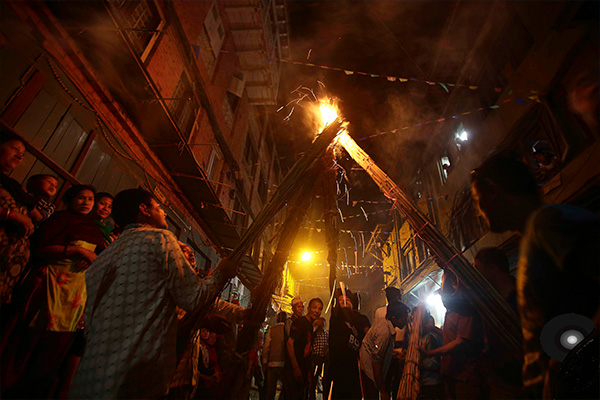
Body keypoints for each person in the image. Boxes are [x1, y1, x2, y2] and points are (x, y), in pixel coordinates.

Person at [70, 188, 238, 399]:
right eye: (159, 207)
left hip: (93, 371)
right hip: (135, 373)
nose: (165, 212)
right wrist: (221, 273)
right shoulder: (160, 239)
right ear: (144, 210)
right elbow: (193, 297)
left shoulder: (107, 253)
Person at [471, 150, 600, 399]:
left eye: (478, 201)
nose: (480, 211)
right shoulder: (536, 234)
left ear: (493, 192)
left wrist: (568, 360)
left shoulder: (546, 224)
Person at [4, 184, 106, 398]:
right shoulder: (59, 220)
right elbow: (40, 249)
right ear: (70, 200)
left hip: (74, 296)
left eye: (90, 199)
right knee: (28, 342)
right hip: (47, 288)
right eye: (80, 198)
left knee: (55, 349)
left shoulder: (95, 229)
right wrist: (76, 250)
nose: (86, 202)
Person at [421, 269, 485, 400]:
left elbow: (460, 342)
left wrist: (430, 353)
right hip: (449, 373)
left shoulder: (466, 310)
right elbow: (451, 335)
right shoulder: (449, 311)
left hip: (464, 376)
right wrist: (434, 329)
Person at [473, 247, 523, 399]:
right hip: (500, 382)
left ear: (493, 269)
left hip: (526, 383)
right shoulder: (489, 305)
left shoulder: (525, 298)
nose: (475, 275)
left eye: (478, 269)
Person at [0, 133, 34, 308]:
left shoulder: (13, 185)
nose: (20, 155)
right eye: (15, 149)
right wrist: (12, 215)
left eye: (23, 153)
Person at [359, 302, 410, 400]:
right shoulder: (384, 333)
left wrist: (396, 354)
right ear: (394, 319)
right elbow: (376, 362)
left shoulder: (385, 323)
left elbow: (383, 352)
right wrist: (383, 391)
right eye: (404, 318)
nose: (406, 321)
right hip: (369, 370)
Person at [287, 297, 323, 400]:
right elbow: (289, 344)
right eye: (315, 307)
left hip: (304, 369)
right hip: (294, 369)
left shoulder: (312, 326)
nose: (317, 311)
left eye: (320, 309)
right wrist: (295, 368)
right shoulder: (300, 322)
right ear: (308, 308)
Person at [328, 288, 362, 399]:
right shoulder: (336, 320)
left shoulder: (355, 322)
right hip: (340, 370)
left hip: (354, 370)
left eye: (347, 300)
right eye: (341, 301)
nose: (345, 303)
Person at [263, 311, 287, 400]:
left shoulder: (272, 329)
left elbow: (266, 347)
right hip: (284, 364)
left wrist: (265, 361)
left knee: (270, 390)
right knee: (284, 389)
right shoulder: (288, 330)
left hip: (272, 364)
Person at [419, 314, 444, 400]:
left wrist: (419, 361)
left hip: (430, 382)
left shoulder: (430, 338)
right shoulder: (415, 338)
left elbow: (435, 363)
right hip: (420, 382)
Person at [310, 317, 328, 400]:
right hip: (314, 357)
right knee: (313, 379)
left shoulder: (327, 334)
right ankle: (312, 397)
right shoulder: (314, 334)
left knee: (324, 378)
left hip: (323, 358)